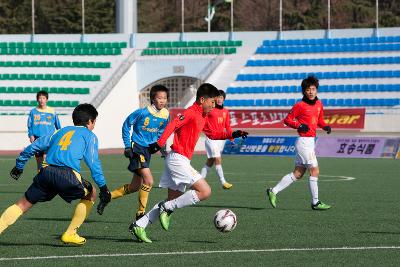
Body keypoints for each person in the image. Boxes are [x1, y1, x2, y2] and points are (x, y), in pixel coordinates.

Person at [129, 83, 248, 243]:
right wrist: (159, 143)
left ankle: (139, 225)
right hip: (177, 159)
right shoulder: (191, 113)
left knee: (172, 201)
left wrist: (232, 133)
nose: (214, 106)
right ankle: (166, 209)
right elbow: (173, 124)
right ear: (202, 99)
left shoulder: (203, 116)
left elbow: (213, 133)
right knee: (205, 191)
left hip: (179, 159)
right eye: (212, 102)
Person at [0, 104, 111, 245]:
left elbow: (33, 147)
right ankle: (71, 233)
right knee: (92, 193)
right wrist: (104, 188)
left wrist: (19, 166)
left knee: (21, 204)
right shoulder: (90, 136)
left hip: (46, 173)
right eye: (94, 122)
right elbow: (93, 163)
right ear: (90, 121)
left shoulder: (59, 132)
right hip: (67, 175)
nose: (94, 125)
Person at [97, 85, 169, 220]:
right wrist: (127, 146)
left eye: (164, 98)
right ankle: (140, 214)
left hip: (147, 151)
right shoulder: (142, 112)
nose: (162, 100)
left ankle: (108, 196)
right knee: (148, 181)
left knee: (135, 186)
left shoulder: (165, 114)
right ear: (153, 99)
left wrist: (161, 147)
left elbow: (162, 132)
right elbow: (126, 124)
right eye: (159, 98)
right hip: (137, 148)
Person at [266, 76, 332, 210]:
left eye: (313, 89)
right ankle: (315, 202)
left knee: (298, 173)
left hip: (310, 141)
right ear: (304, 91)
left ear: (316, 90)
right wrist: (299, 125)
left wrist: (325, 126)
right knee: (315, 170)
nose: (311, 92)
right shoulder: (299, 105)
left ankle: (273, 191)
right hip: (303, 142)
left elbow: (319, 120)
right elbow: (287, 120)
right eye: (308, 90)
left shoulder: (319, 104)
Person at [200, 90, 233, 189]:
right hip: (211, 138)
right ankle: (223, 182)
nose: (219, 99)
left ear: (223, 99)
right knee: (218, 159)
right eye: (218, 97)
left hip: (221, 139)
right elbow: (201, 119)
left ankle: (198, 180)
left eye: (221, 98)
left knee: (210, 161)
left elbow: (227, 125)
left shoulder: (225, 111)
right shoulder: (210, 109)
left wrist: (231, 137)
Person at [27, 90, 61, 171]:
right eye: (40, 98)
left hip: (49, 139)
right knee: (39, 162)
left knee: (46, 160)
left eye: (43, 98)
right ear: (37, 99)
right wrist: (31, 135)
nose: (41, 100)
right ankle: (40, 179)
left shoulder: (52, 111)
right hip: (37, 139)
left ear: (46, 99)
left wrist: (59, 135)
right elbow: (29, 125)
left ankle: (46, 179)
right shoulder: (33, 111)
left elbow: (58, 126)